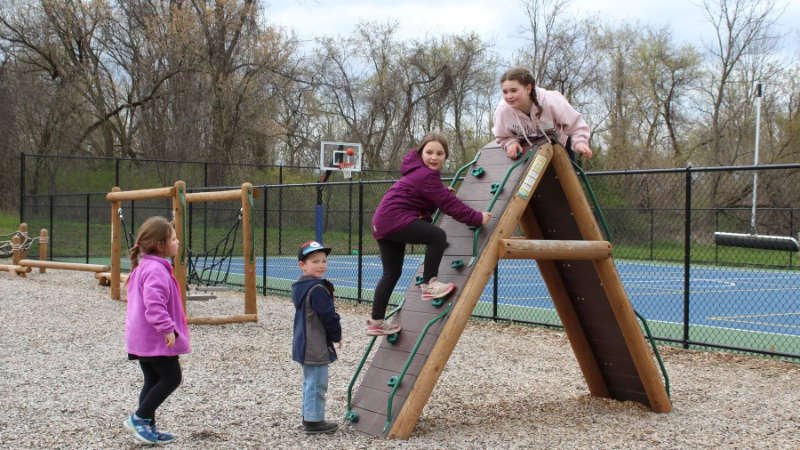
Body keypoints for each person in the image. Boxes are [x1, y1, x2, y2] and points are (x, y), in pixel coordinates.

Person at [369, 133, 492, 336]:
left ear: (445, 156)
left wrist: (440, 193)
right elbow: (450, 206)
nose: (434, 157)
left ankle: (377, 321)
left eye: (439, 153)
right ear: (420, 153)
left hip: (381, 224)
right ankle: (429, 284)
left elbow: (424, 201)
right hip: (394, 219)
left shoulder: (417, 173)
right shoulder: (426, 175)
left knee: (391, 273)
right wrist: (477, 218)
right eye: (429, 152)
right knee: (437, 236)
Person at [123, 216, 190, 445]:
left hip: (141, 339)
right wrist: (167, 329)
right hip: (155, 339)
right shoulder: (155, 270)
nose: (178, 241)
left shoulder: (146, 266)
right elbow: (154, 304)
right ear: (161, 245)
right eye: (173, 238)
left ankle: (147, 428)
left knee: (152, 380)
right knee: (172, 377)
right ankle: (140, 418)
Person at [292, 240, 342, 435]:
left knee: (310, 380)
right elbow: (329, 316)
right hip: (314, 345)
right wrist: (336, 334)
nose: (321, 265)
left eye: (323, 260)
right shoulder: (318, 289)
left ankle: (308, 415)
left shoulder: (301, 286)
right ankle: (314, 421)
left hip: (303, 342)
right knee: (317, 382)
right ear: (302, 265)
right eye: (315, 261)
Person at [492, 67, 594, 160]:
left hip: (560, 148)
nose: (509, 96)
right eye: (505, 92)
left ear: (528, 88)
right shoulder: (503, 111)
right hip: (529, 153)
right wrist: (511, 143)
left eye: (513, 91)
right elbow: (502, 136)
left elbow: (575, 124)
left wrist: (580, 142)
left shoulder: (550, 101)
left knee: (564, 179)